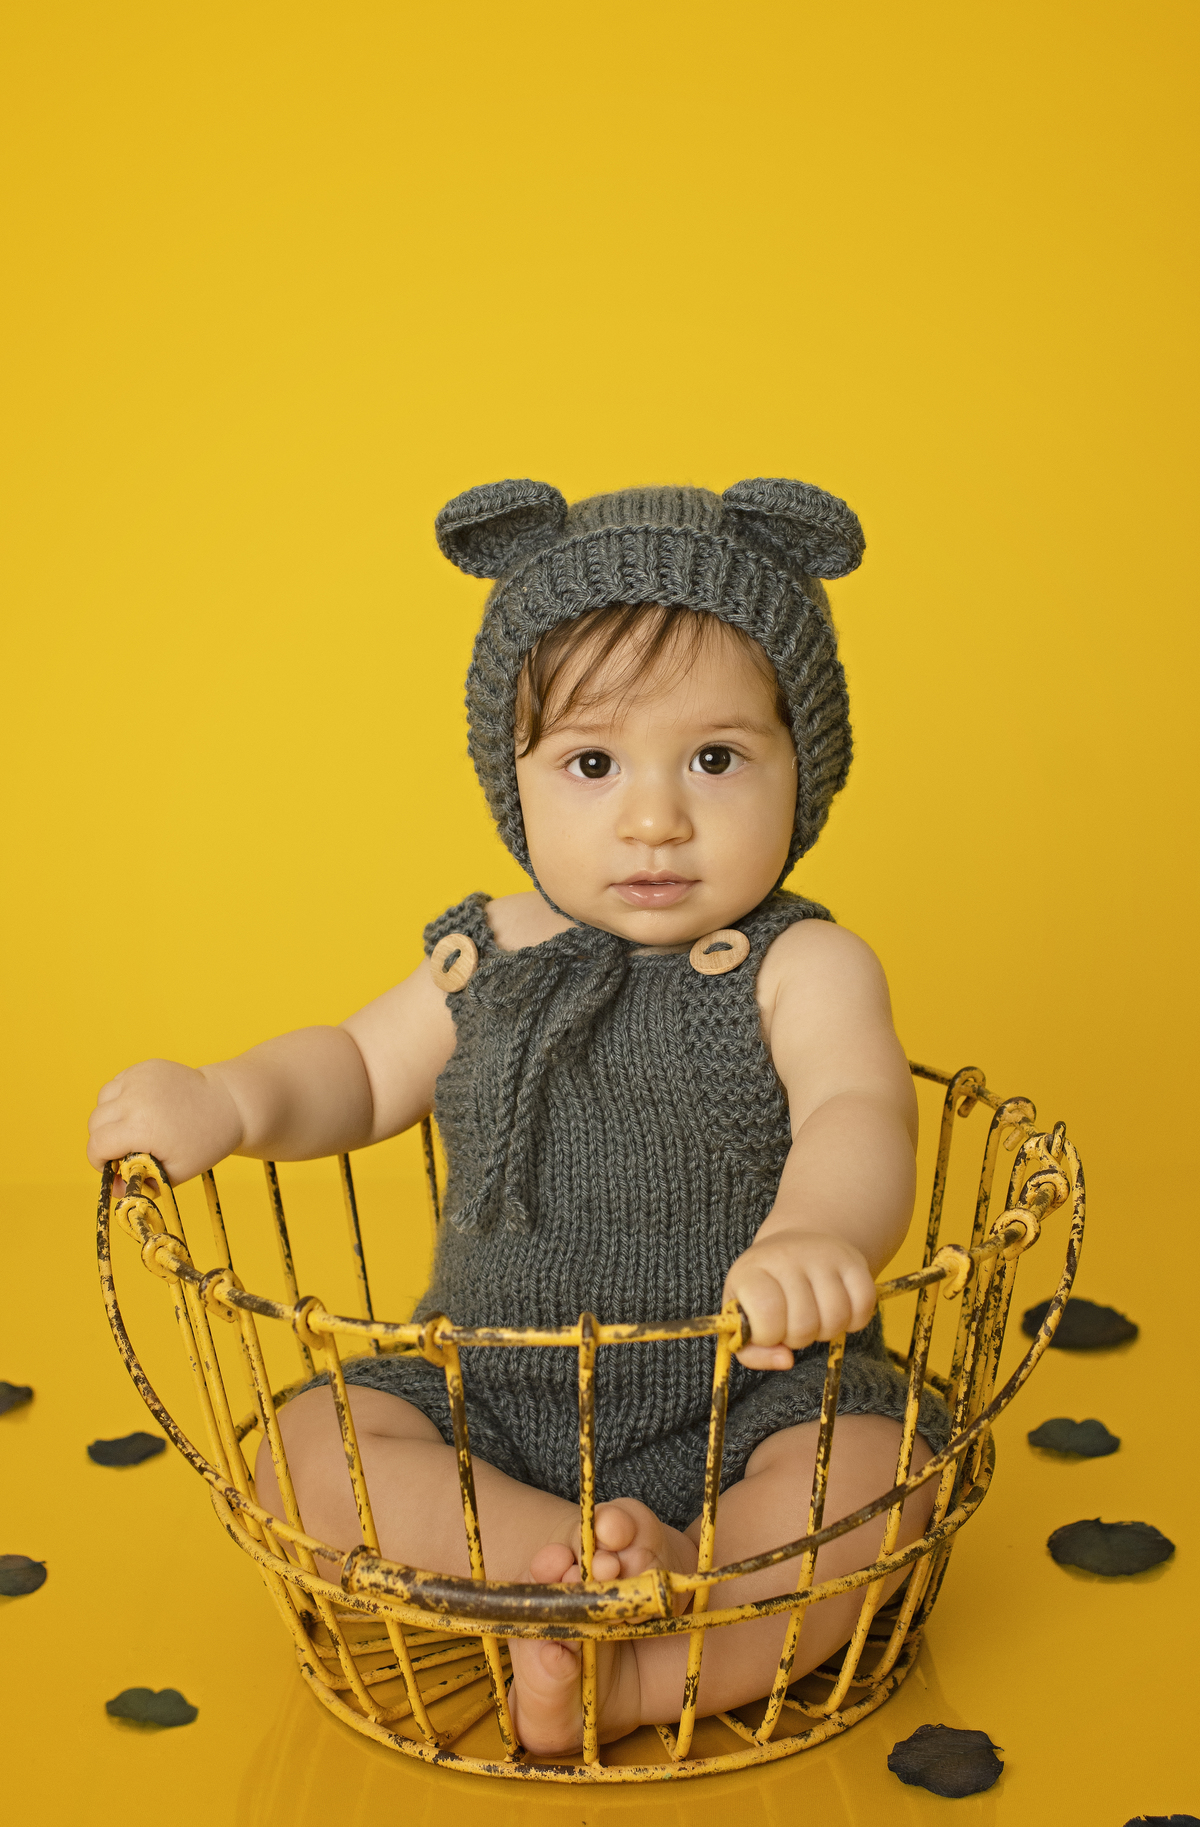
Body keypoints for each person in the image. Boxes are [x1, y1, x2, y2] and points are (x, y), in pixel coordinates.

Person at [87, 477, 948, 1754]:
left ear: (801, 767)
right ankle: (557, 1570)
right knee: (310, 1448)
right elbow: (356, 1070)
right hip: (485, 1394)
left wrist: (819, 1232)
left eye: (715, 759)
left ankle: (651, 1669)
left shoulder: (802, 966)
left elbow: (859, 1108)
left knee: (883, 1484)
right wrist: (230, 1097)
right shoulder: (489, 954)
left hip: (743, 1401)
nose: (655, 816)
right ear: (517, 777)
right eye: (593, 763)